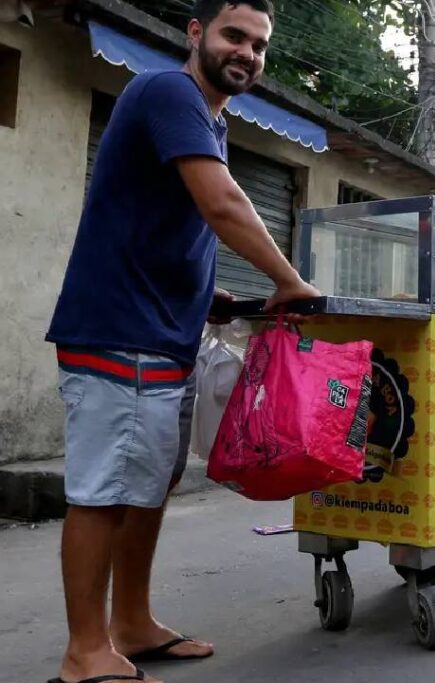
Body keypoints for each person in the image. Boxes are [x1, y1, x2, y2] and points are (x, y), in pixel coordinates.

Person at [43, 2, 321, 682]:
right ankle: (85, 650)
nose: (248, 53)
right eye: (234, 35)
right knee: (104, 492)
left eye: (259, 45)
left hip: (163, 333)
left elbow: (162, 222)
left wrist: (208, 297)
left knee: (146, 486)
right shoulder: (169, 90)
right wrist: (291, 282)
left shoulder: (211, 121)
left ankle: (130, 624)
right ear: (195, 34)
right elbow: (223, 204)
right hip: (120, 331)